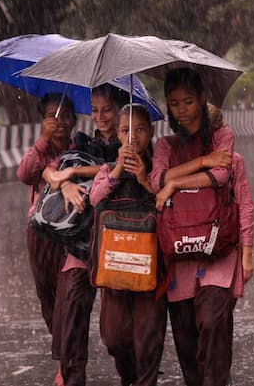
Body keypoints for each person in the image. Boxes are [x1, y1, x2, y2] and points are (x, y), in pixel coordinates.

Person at [149, 67, 252, 386]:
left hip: (219, 252)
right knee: (186, 338)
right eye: (175, 103)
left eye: (189, 101)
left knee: (212, 323)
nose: (182, 110)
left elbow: (221, 177)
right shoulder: (164, 146)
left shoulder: (223, 137)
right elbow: (156, 180)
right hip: (179, 258)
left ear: (203, 99)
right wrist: (201, 164)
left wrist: (174, 184)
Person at [43, 83, 127, 385]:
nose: (100, 116)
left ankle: (132, 374)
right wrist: (64, 182)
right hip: (81, 245)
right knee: (71, 323)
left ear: (119, 110)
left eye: (106, 110)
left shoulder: (131, 142)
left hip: (119, 246)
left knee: (117, 335)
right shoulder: (80, 143)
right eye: (94, 110)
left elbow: (119, 168)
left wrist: (76, 172)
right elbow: (49, 171)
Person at [89, 103, 167, 386]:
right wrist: (119, 169)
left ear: (152, 132)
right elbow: (95, 200)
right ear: (118, 135)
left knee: (148, 338)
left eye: (140, 129)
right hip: (115, 271)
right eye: (126, 130)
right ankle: (129, 376)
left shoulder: (160, 170)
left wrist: (146, 180)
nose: (133, 136)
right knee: (114, 338)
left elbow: (168, 204)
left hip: (151, 270)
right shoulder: (108, 169)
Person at [16, 92, 77, 385]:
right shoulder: (38, 152)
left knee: (68, 299)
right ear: (42, 120)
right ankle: (65, 351)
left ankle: (67, 365)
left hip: (69, 236)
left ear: (74, 119)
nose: (59, 121)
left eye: (65, 115)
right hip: (39, 236)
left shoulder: (79, 150)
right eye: (52, 115)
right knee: (48, 299)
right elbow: (25, 174)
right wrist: (43, 140)